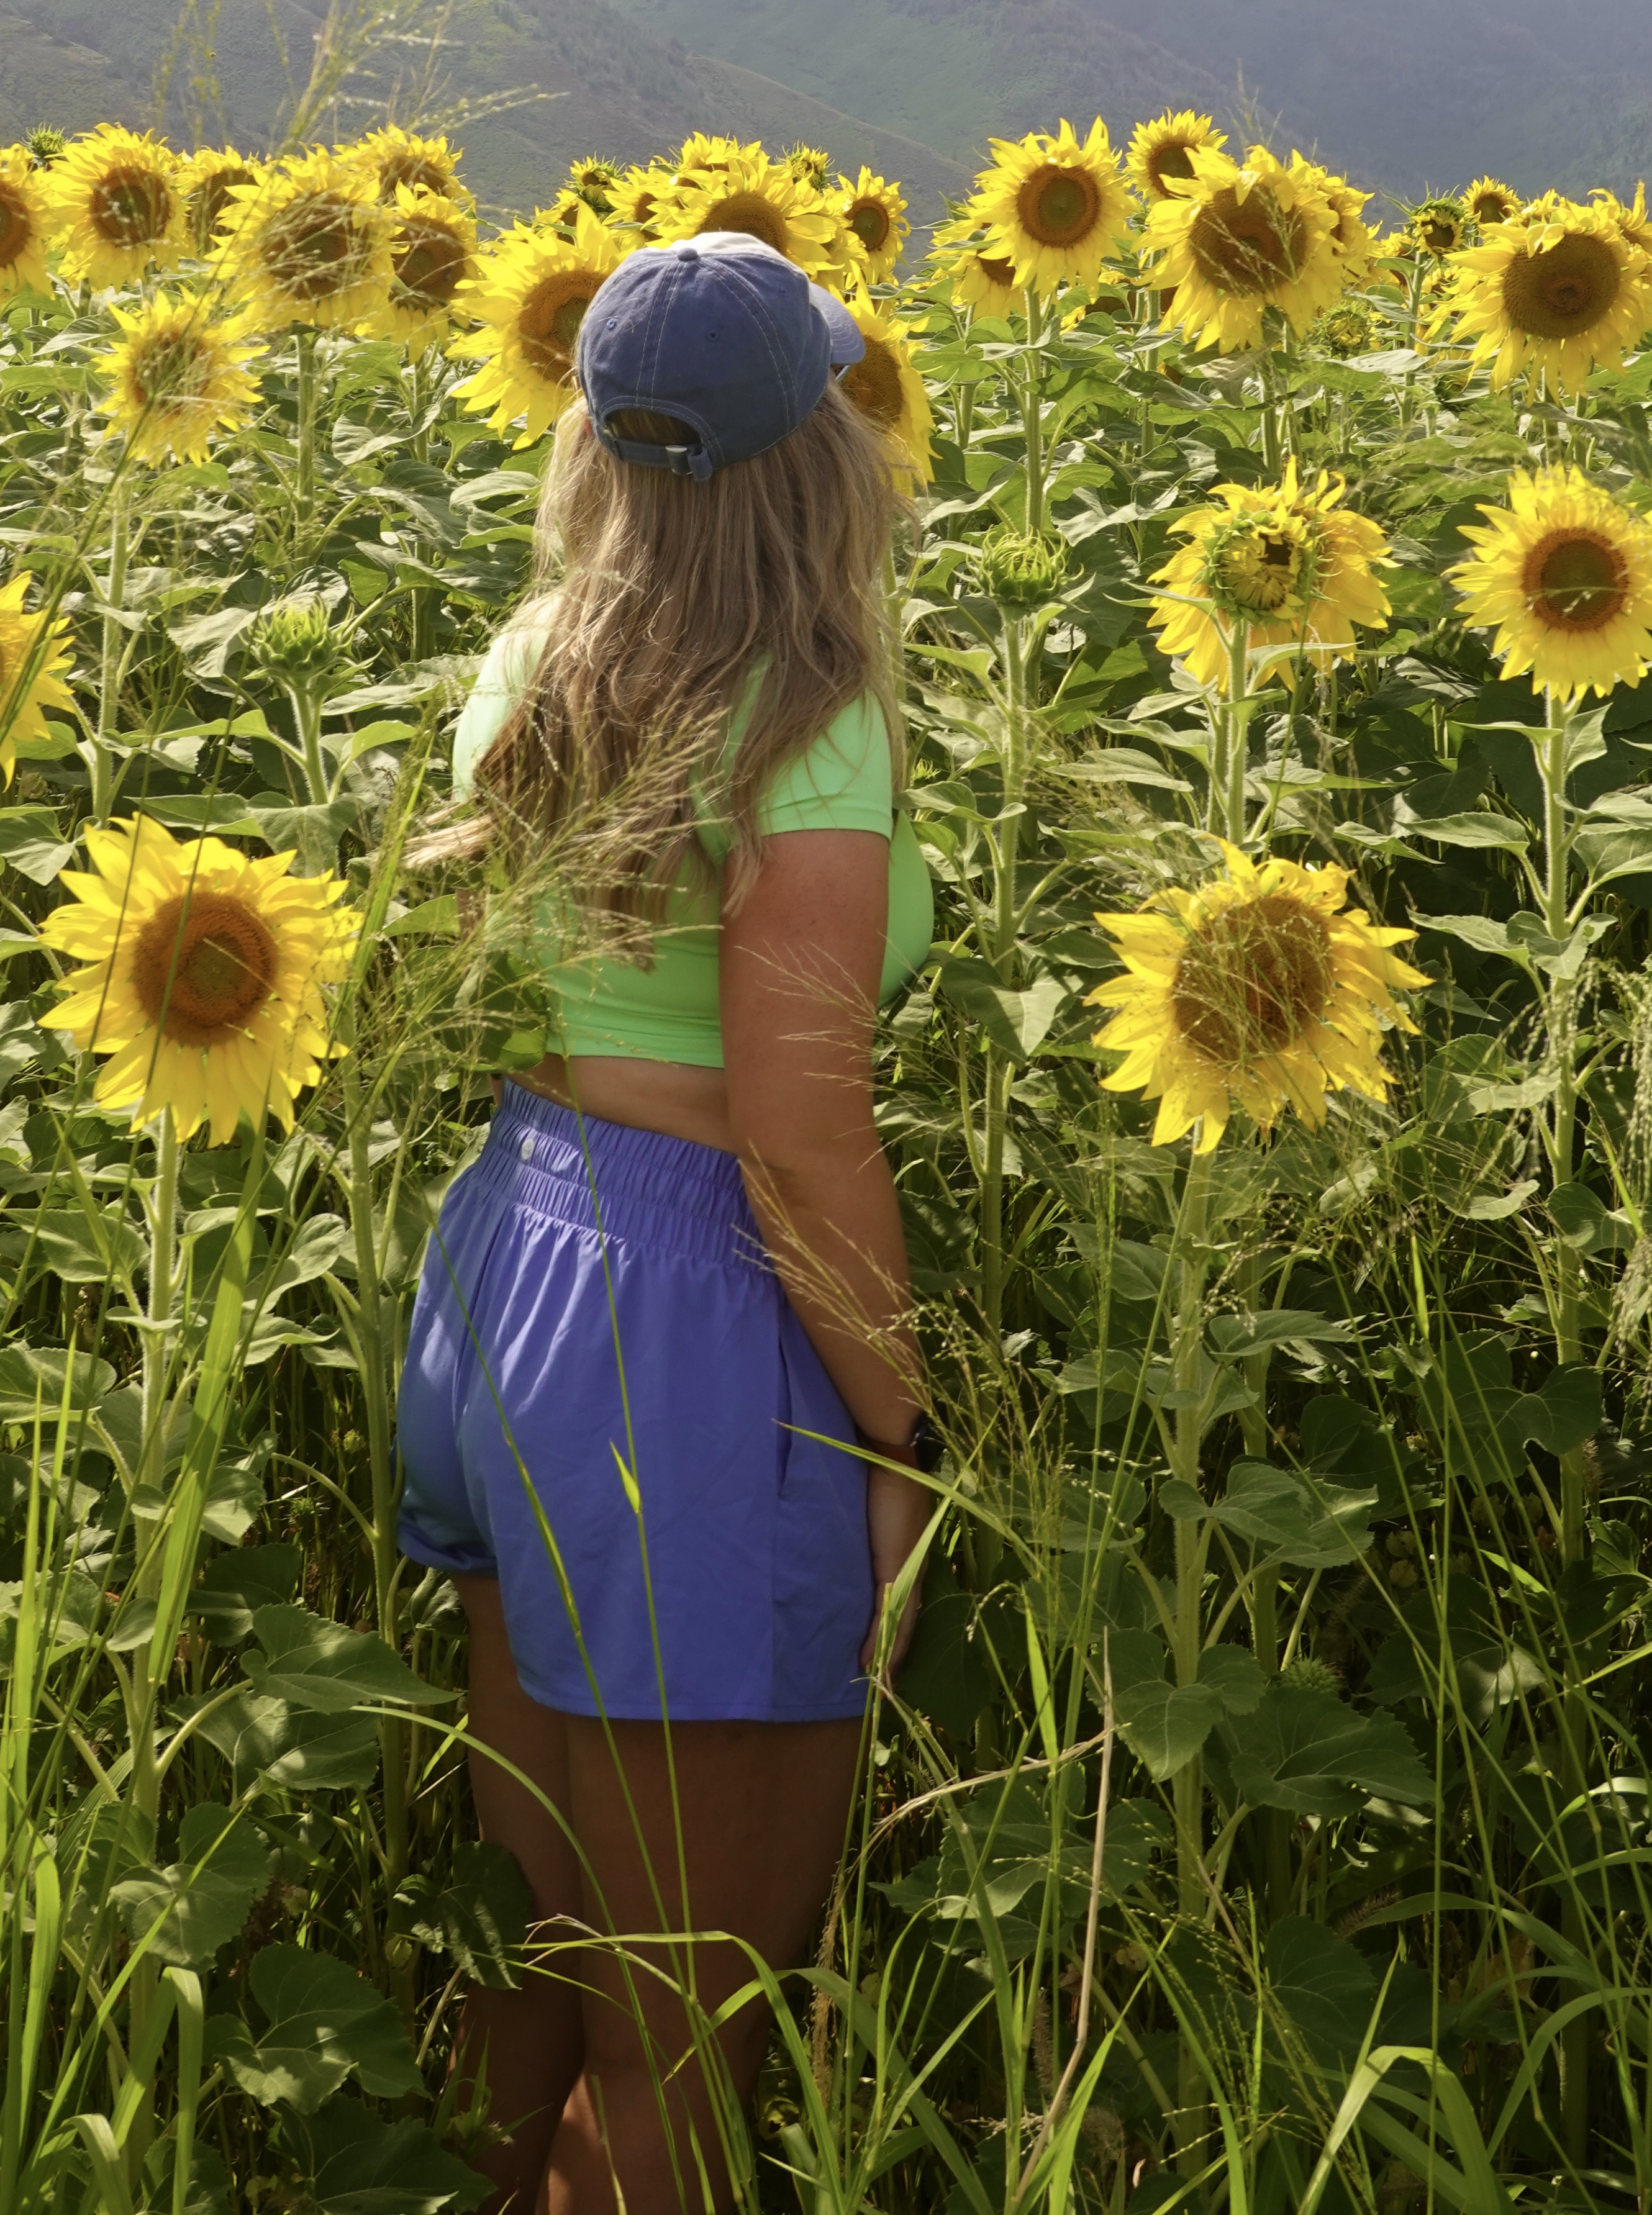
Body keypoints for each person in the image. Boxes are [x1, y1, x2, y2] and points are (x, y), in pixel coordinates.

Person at [394, 230, 938, 2214]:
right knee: (688, 2030)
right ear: (818, 461)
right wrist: (906, 1431)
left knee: (539, 1954)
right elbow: (801, 1137)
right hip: (694, 1327)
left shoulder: (537, 666)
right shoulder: (812, 720)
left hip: (507, 1256)